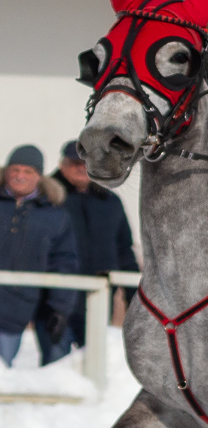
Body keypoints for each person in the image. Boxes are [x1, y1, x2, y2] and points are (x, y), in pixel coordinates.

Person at [0, 145, 81, 367]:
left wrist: (60, 308)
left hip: (16, 310)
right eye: (15, 169)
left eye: (28, 172)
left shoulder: (55, 216)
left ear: (39, 176)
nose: (19, 176)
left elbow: (64, 262)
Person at [52, 140, 138, 345]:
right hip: (57, 298)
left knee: (93, 358)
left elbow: (124, 249)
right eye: (74, 162)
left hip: (99, 295)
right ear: (62, 164)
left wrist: (132, 295)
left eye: (86, 162)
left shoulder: (110, 201)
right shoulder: (50, 198)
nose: (81, 167)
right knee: (55, 364)